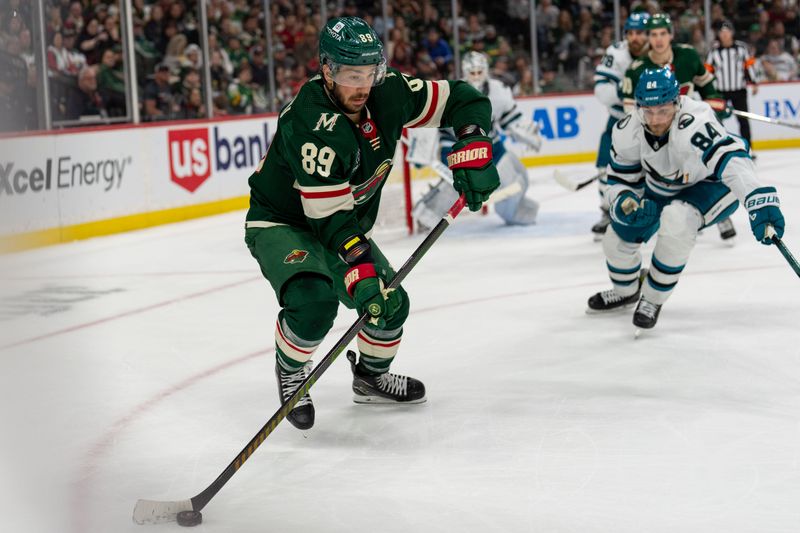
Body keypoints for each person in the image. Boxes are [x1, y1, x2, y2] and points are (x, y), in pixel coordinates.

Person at [244, 17, 499, 430]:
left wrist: (472, 140)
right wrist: (360, 274)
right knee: (316, 302)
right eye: (350, 75)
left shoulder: (389, 91)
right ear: (327, 70)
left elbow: (464, 98)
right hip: (284, 222)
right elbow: (331, 218)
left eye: (369, 73)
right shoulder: (310, 123)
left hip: (338, 220)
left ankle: (369, 378)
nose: (362, 86)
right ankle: (291, 368)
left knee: (392, 305)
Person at [587, 68, 785, 332]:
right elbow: (620, 181)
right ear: (638, 107)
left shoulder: (696, 120)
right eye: (649, 111)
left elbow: (730, 159)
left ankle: (652, 298)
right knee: (615, 241)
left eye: (663, 110)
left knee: (676, 221)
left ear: (677, 103)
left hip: (710, 185)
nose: (656, 120)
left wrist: (757, 199)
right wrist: (625, 202)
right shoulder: (626, 131)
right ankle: (627, 291)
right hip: (661, 185)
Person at [622, 13, 738, 241]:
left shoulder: (688, 56)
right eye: (653, 34)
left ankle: (719, 214)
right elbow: (630, 112)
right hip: (657, 132)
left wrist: (717, 103)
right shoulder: (636, 69)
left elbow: (708, 89)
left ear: (671, 35)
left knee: (706, 165)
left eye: (663, 33)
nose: (658, 39)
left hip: (689, 128)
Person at [410, 51, 541, 229]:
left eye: (480, 72)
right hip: (457, 148)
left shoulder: (497, 90)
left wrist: (527, 130)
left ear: (486, 71)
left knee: (517, 176)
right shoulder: (452, 90)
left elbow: (510, 117)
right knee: (455, 185)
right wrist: (422, 149)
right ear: (465, 72)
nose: (477, 76)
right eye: (473, 73)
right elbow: (433, 121)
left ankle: (515, 212)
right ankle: (426, 216)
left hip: (492, 147)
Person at [590, 11, 650, 240]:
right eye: (631, 33)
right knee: (605, 167)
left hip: (653, 122)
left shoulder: (658, 51)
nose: (635, 38)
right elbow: (600, 90)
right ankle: (607, 211)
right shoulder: (616, 52)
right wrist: (623, 90)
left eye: (640, 33)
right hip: (619, 121)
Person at [705, 21, 759, 153]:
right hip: (721, 92)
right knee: (717, 122)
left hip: (739, 90)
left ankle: (748, 149)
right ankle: (718, 150)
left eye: (727, 31)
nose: (724, 35)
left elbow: (749, 66)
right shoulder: (714, 51)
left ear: (732, 33)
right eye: (722, 32)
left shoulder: (741, 48)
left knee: (743, 121)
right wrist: (708, 90)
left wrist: (753, 82)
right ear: (718, 34)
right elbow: (707, 70)